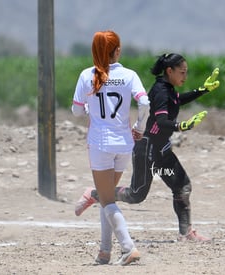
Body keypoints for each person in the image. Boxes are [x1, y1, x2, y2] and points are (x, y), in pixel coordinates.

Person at [76, 53, 220, 242]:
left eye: (187, 72)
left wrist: (202, 90)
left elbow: (177, 100)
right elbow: (161, 121)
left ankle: (186, 233)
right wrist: (181, 126)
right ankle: (94, 193)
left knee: (182, 185)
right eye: (182, 72)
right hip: (148, 149)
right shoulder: (161, 91)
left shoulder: (167, 88)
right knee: (136, 195)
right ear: (170, 71)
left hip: (161, 149)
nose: (185, 76)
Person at [72, 30, 149, 265]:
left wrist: (89, 110)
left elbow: (76, 110)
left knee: (106, 200)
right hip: (125, 144)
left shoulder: (87, 75)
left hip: (100, 144)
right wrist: (140, 126)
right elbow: (144, 101)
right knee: (107, 198)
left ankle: (128, 248)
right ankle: (104, 252)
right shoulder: (129, 75)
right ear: (116, 51)